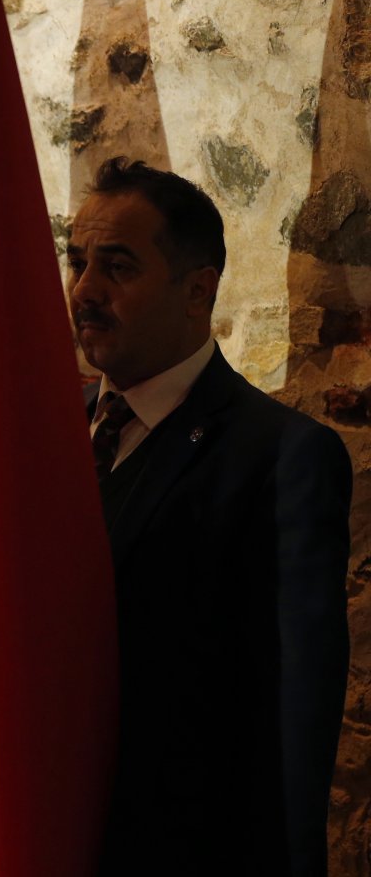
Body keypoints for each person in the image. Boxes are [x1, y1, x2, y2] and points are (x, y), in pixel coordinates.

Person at [65, 158, 351, 876]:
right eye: (78, 263)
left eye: (118, 267)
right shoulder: (39, 435)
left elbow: (292, 721)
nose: (85, 292)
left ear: (198, 291)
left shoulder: (282, 457)